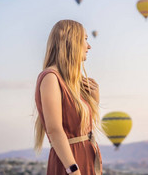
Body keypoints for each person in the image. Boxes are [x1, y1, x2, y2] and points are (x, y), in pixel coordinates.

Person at [33, 20, 102, 175]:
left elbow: (84, 126)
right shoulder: (51, 77)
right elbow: (54, 129)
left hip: (87, 160)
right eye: (85, 39)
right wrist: (73, 170)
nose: (89, 46)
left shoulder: (72, 83)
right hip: (70, 163)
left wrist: (94, 100)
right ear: (71, 41)